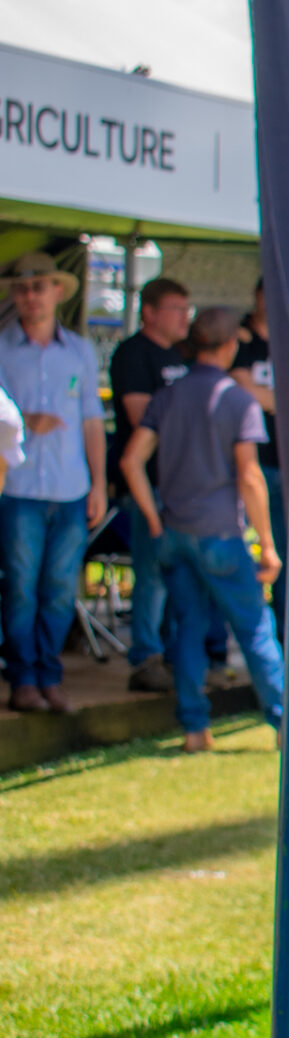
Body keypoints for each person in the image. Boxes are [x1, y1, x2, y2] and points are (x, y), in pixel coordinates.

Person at [118, 307, 284, 753]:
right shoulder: (237, 400)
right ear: (230, 347)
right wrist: (267, 544)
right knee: (254, 629)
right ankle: (284, 723)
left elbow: (131, 460)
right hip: (220, 534)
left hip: (175, 531)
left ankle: (194, 729)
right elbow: (250, 477)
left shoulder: (169, 395)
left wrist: (154, 519)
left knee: (187, 629)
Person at [0, 252, 108, 714]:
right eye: (22, 288)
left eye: (38, 286)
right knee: (21, 586)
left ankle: (50, 674)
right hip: (19, 488)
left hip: (69, 487)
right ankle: (23, 678)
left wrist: (99, 483)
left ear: (58, 292)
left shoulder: (80, 351)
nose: (30, 296)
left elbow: (91, 421)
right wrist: (26, 421)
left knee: (61, 588)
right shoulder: (2, 349)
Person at [108, 276, 193, 693]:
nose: (185, 317)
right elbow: (146, 417)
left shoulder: (181, 355)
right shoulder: (132, 355)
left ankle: (176, 655)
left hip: (183, 489)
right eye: (177, 308)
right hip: (148, 484)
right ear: (150, 312)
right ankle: (145, 657)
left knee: (179, 577)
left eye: (187, 309)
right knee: (151, 574)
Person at [228, 278, 285, 635]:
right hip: (247, 465)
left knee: (279, 553)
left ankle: (280, 635)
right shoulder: (240, 339)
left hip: (284, 465)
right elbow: (242, 391)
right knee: (233, 555)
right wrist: (285, 401)